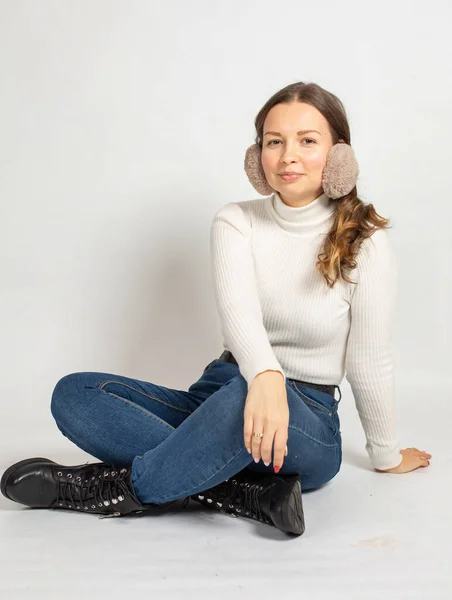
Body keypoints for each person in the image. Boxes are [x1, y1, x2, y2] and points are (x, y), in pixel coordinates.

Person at [1, 81, 431, 537]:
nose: (288, 155)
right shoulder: (235, 221)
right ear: (256, 156)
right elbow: (239, 314)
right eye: (274, 141)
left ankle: (104, 490)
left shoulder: (366, 242)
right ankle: (238, 491)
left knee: (246, 398)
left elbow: (370, 360)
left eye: (307, 141)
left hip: (307, 421)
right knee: (75, 393)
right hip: (220, 395)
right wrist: (263, 376)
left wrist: (385, 453)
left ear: (339, 156)